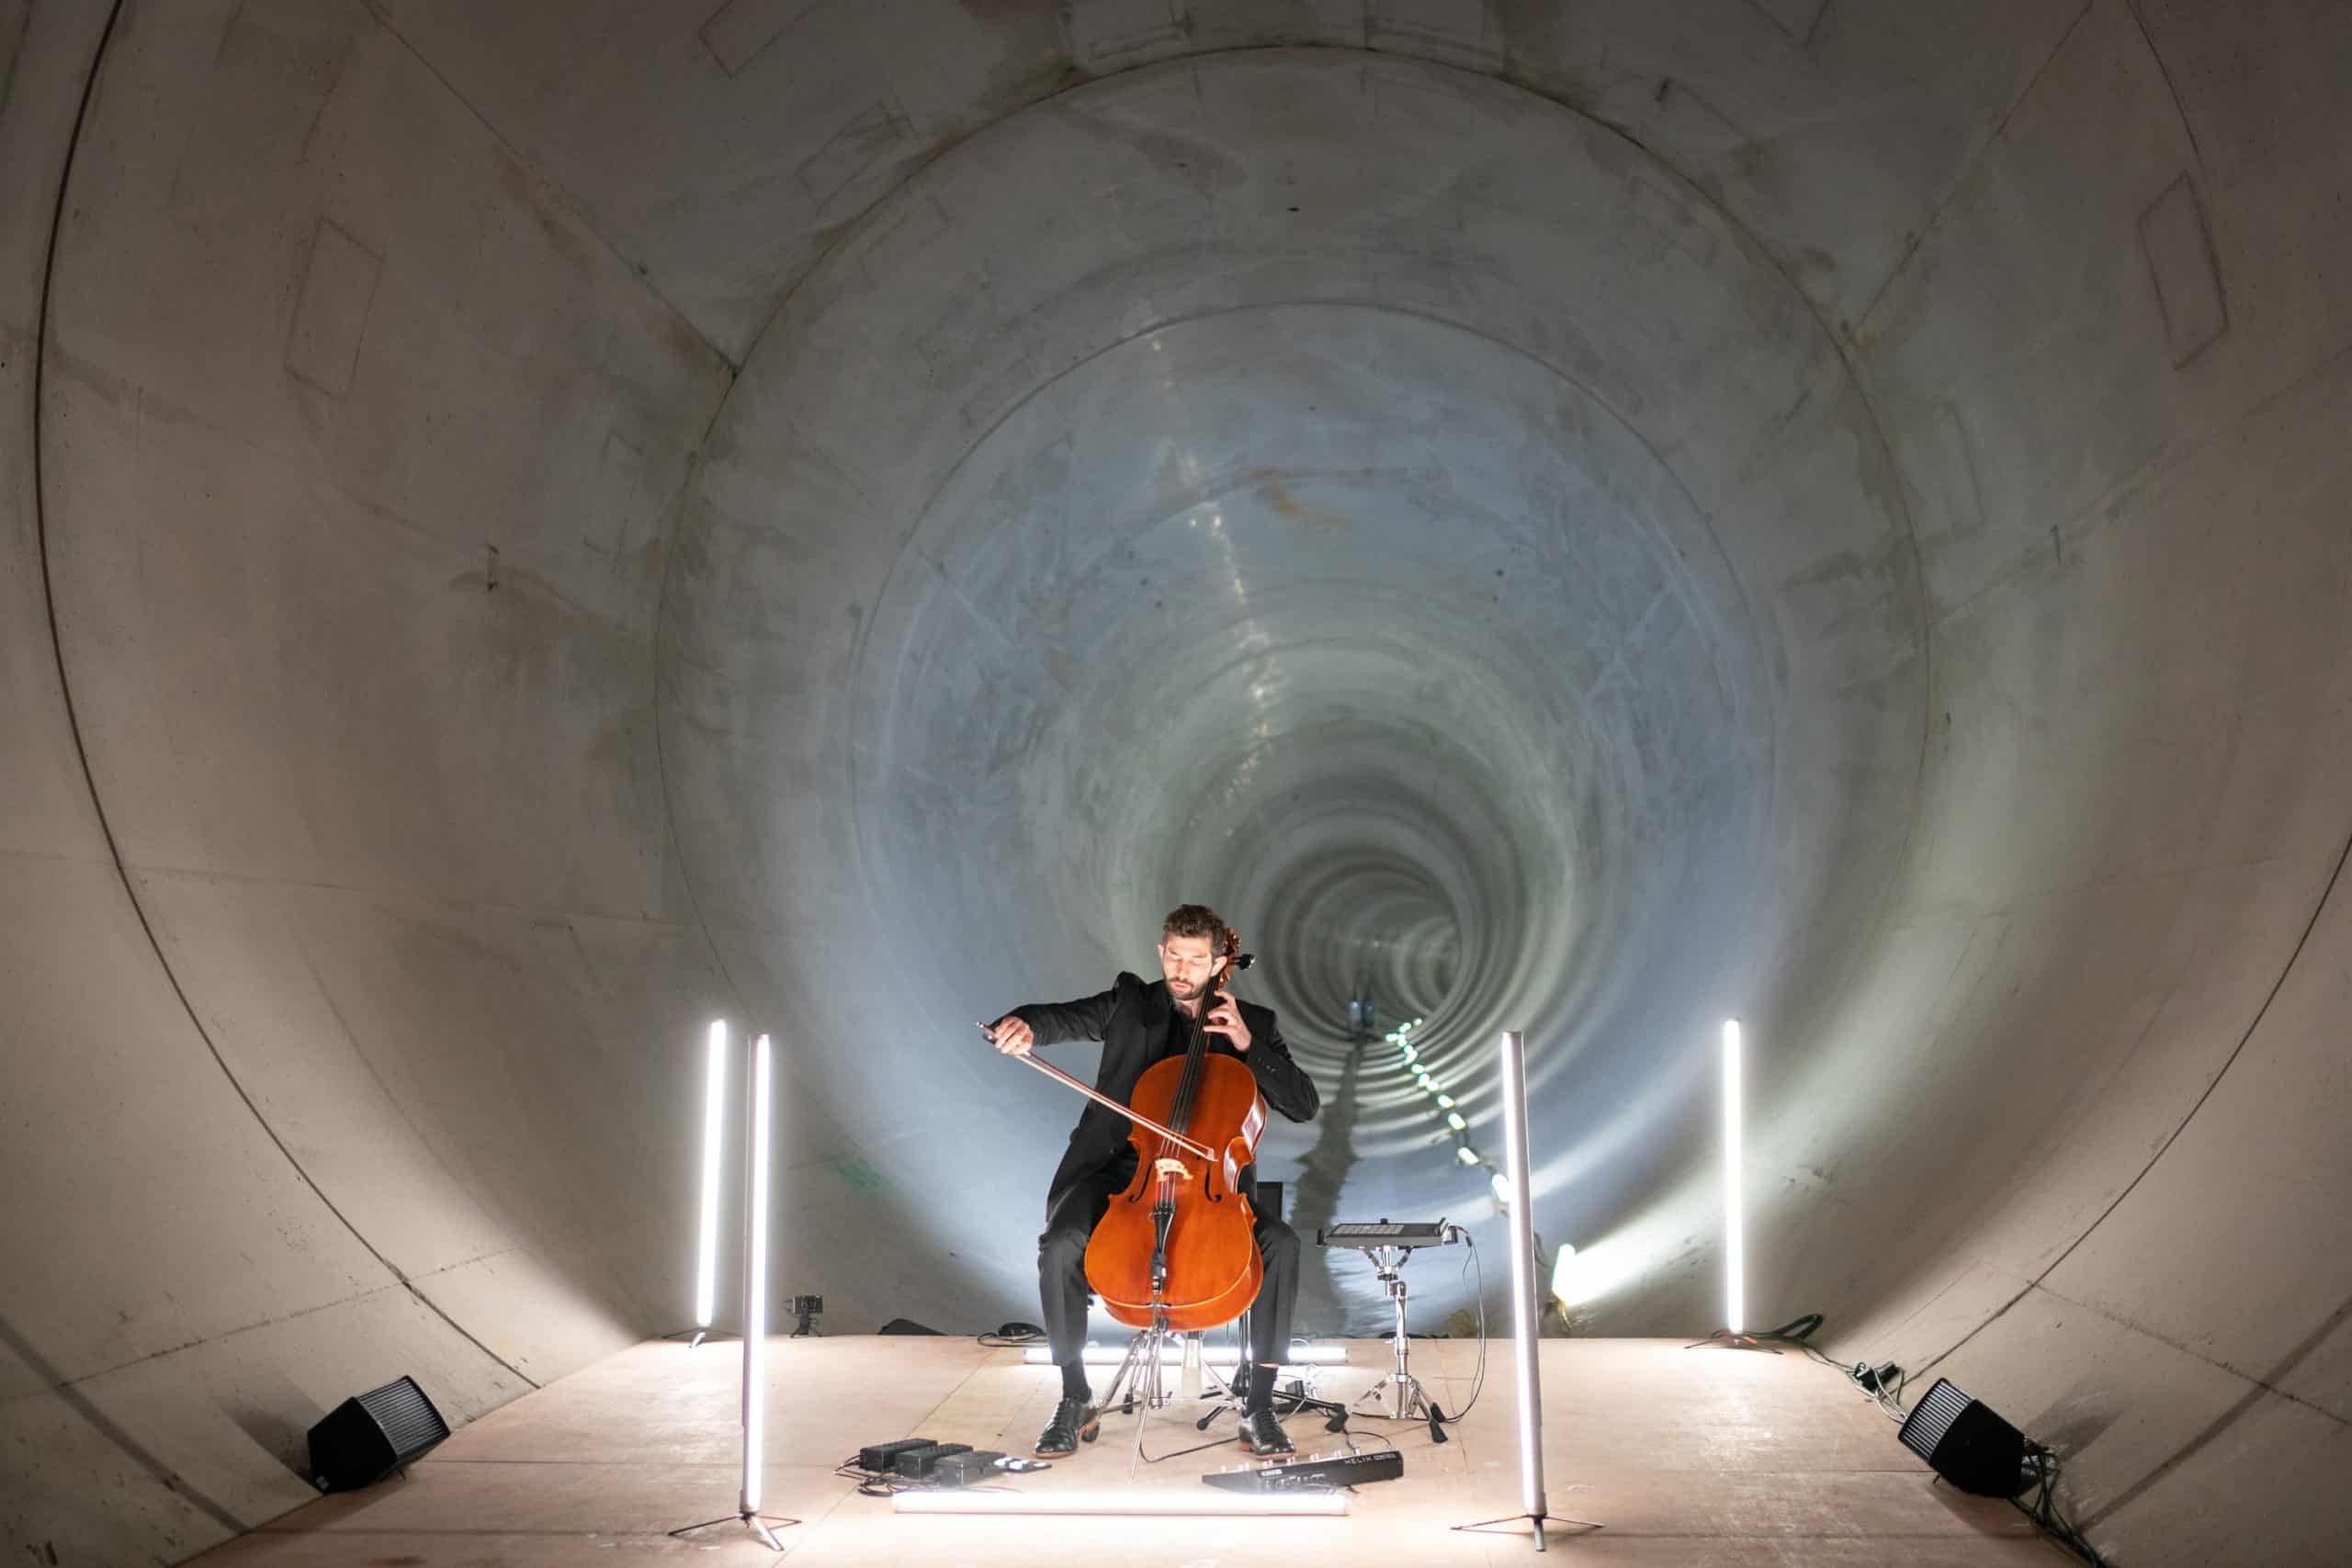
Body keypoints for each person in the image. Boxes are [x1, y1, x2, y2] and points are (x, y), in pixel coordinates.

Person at [986, 904, 1320, 1458]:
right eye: (1174, 957)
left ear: (1219, 963)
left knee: (1279, 1245)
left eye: (1195, 960)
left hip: (1210, 1180)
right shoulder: (1129, 1004)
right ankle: (1074, 1396)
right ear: (1161, 953)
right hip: (1123, 1170)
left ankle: (1259, 1404)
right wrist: (1023, 1024)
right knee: (1060, 1244)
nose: (1182, 971)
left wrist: (1246, 1046)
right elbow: (1060, 1018)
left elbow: (1302, 1105)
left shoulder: (1253, 1024)